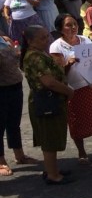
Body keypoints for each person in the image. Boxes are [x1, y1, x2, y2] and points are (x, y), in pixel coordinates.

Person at [50, 13, 92, 164]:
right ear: (60, 29)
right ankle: (82, 152)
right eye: (68, 25)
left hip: (91, 83)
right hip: (73, 88)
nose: (73, 27)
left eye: (74, 24)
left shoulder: (85, 40)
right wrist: (69, 63)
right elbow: (58, 73)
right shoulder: (56, 46)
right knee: (76, 120)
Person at [21, 25, 74, 184]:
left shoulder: (40, 53)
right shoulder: (34, 57)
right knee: (49, 139)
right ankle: (52, 175)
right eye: (42, 38)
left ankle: (53, 169)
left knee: (53, 136)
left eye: (46, 36)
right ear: (30, 41)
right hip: (46, 101)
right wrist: (68, 91)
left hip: (51, 100)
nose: (46, 40)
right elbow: (48, 82)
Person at [0, 34, 37, 175]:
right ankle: (1, 161)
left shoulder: (4, 40)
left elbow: (16, 60)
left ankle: (19, 155)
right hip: (1, 89)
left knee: (14, 123)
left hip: (15, 85)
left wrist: (17, 52)